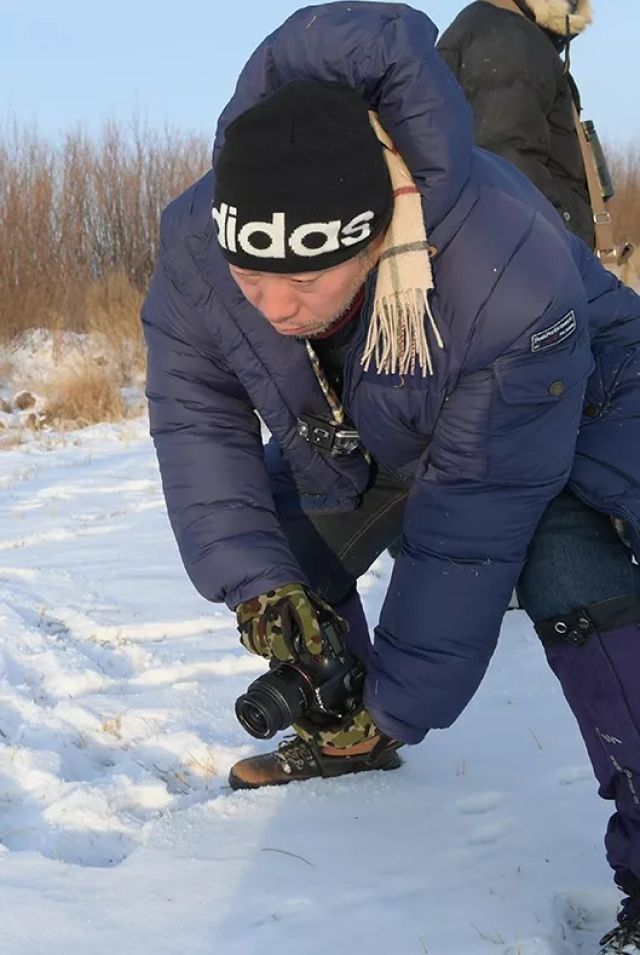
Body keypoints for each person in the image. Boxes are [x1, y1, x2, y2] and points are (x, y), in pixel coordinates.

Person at [141, 4, 640, 950]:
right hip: (387, 413)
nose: (276, 307)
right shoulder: (201, 251)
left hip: (577, 400)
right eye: (254, 282)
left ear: (374, 238)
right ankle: (342, 727)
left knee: (576, 581)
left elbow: (468, 518)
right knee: (279, 543)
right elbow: (200, 428)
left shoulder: (502, 263)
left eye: (307, 281)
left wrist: (400, 703)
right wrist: (262, 589)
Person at [438, 0, 635, 283]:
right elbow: (508, 177)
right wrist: (566, 261)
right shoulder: (507, 38)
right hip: (532, 275)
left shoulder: (504, 32)